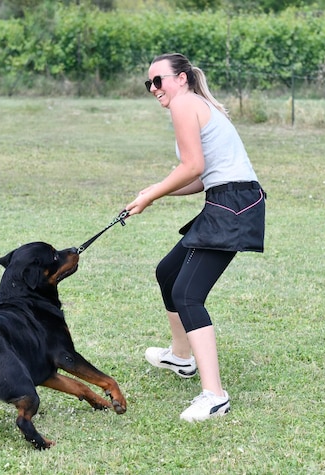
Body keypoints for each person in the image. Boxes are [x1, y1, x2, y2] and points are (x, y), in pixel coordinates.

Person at [124, 53, 265, 422]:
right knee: (167, 272)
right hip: (225, 198)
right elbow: (203, 177)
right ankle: (181, 356)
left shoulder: (185, 103)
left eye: (160, 80)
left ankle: (215, 396)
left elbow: (193, 167)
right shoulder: (194, 103)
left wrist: (153, 192)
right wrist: (156, 193)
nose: (154, 89)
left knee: (187, 293)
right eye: (149, 83)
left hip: (233, 203)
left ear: (182, 78)